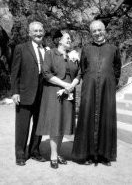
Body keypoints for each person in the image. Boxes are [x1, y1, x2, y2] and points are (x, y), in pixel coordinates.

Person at [72, 20, 121, 166]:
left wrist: (111, 82)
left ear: (104, 30)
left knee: (107, 118)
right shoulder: (86, 49)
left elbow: (117, 68)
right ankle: (86, 154)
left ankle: (104, 155)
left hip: (107, 88)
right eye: (94, 31)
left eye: (100, 30)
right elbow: (83, 67)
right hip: (90, 87)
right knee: (87, 117)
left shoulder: (114, 49)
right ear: (91, 33)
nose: (97, 33)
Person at [36, 31, 80, 169]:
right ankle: (53, 155)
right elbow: (46, 73)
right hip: (54, 91)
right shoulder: (50, 53)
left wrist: (71, 85)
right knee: (55, 123)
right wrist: (64, 85)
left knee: (62, 123)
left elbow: (80, 73)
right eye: (67, 38)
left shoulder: (73, 55)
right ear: (59, 40)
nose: (70, 40)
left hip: (69, 92)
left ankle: (57, 152)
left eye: (70, 39)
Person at [11, 21, 49, 166]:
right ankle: (20, 154)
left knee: (39, 125)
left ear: (43, 32)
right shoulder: (21, 48)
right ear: (29, 33)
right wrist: (15, 92)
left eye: (40, 30)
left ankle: (34, 151)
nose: (38, 33)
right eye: (35, 31)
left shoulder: (47, 50)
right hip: (25, 94)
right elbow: (15, 72)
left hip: (42, 94)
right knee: (22, 127)